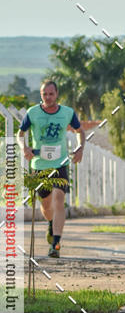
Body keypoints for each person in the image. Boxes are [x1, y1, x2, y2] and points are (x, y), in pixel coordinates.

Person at [17, 79, 85, 258]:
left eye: (51, 94)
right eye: (45, 94)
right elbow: (20, 134)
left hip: (60, 163)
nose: (48, 97)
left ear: (57, 95)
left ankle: (56, 243)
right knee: (47, 206)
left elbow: (80, 131)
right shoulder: (32, 113)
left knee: (58, 198)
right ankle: (50, 223)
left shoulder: (67, 113)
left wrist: (80, 148)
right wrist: (24, 147)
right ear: (41, 95)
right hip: (39, 165)